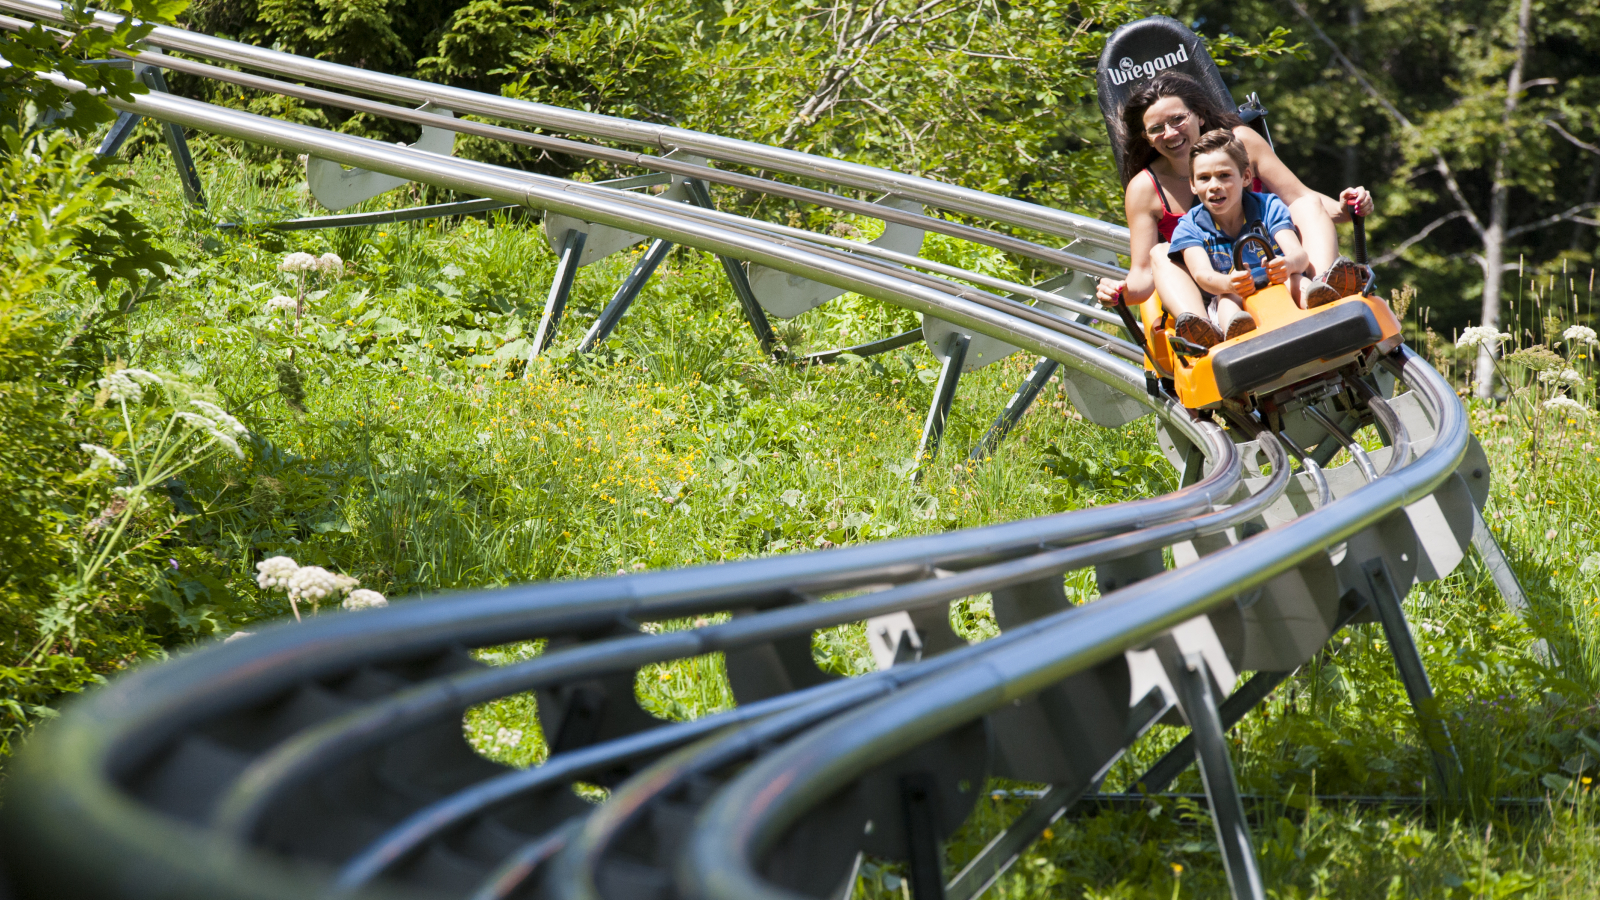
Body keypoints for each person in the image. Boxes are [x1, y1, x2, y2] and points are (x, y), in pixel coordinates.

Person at [1094, 72, 1374, 319]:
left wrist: (1348, 208)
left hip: (1281, 267)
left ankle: (1325, 286)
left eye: (1178, 119)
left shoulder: (1242, 143)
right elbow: (1143, 273)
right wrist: (1119, 292)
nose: (1170, 133)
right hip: (1214, 291)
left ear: (1199, 115)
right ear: (1146, 137)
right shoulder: (1145, 188)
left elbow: (1300, 198)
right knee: (1160, 251)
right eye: (1157, 128)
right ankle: (1200, 328)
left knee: (1308, 203)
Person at [1164, 129, 1307, 345]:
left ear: (1246, 177)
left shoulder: (1268, 206)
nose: (1214, 186)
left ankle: (1316, 305)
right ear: (1193, 185)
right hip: (1233, 292)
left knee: (1297, 280)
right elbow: (1202, 275)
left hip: (1278, 282)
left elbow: (1299, 255)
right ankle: (1238, 332)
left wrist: (1287, 264)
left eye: (1224, 175)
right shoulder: (1189, 227)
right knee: (1226, 302)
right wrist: (1229, 283)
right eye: (1204, 178)